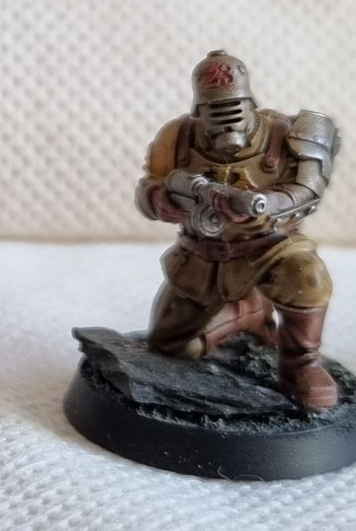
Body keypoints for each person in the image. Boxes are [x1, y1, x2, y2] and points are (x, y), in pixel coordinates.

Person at [135, 50, 339, 408]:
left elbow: (308, 192)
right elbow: (148, 186)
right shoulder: (177, 137)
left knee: (307, 275)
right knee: (170, 346)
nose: (226, 120)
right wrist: (160, 200)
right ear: (199, 109)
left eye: (234, 107)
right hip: (202, 255)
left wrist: (263, 203)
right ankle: (244, 315)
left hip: (270, 247)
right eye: (214, 110)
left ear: (250, 102)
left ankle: (301, 364)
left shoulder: (286, 134)